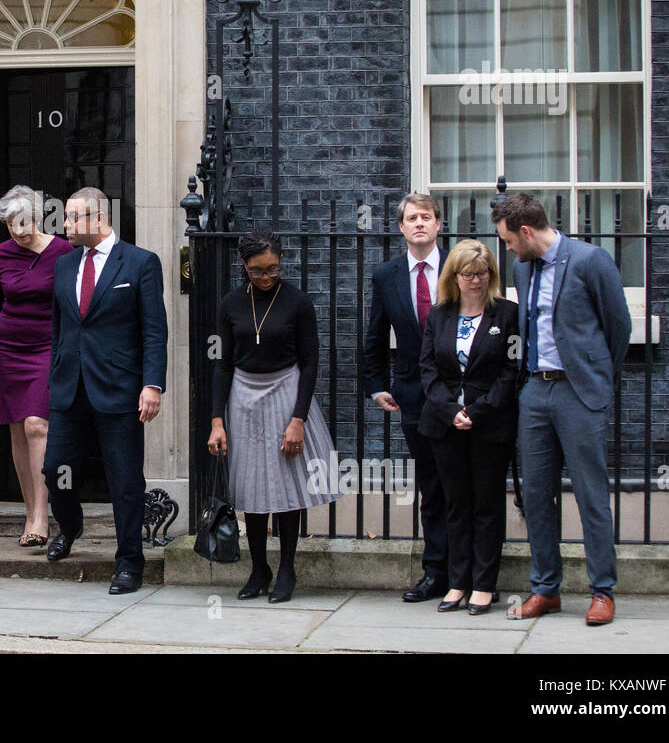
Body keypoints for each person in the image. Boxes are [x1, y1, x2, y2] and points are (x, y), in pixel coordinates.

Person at [493, 193, 631, 626]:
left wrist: (597, 380)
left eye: (509, 240)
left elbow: (619, 327)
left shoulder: (591, 260)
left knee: (591, 494)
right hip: (535, 391)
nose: (508, 249)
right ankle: (545, 589)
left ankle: (602, 591)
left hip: (579, 392)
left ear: (527, 231)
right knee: (535, 496)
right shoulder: (522, 267)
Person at [43, 187, 168, 594]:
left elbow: (153, 330)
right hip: (69, 387)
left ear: (98, 219)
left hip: (118, 388)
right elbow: (60, 327)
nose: (63, 226)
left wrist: (152, 384)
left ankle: (130, 562)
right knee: (55, 468)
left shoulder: (140, 263)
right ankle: (71, 525)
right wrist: (55, 371)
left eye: (72, 218)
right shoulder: (63, 265)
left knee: (125, 480)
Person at [207, 232, 343, 603]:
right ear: (244, 267)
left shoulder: (298, 302)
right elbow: (222, 363)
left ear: (281, 261)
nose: (266, 278)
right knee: (251, 488)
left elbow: (311, 362)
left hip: (286, 391)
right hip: (244, 396)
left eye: (273, 269)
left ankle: (286, 568)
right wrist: (217, 421)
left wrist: (298, 419)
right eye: (257, 272)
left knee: (286, 485)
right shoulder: (231, 304)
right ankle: (258, 568)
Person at [418, 239, 519, 615]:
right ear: (454, 276)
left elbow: (511, 371)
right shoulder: (440, 315)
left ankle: (484, 584)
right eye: (468, 274)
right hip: (445, 426)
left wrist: (478, 410)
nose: (476, 281)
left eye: (482, 274)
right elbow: (427, 368)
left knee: (487, 504)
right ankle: (457, 582)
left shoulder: (507, 315)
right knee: (455, 503)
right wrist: (449, 411)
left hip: (489, 425)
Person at [362, 192, 450, 602]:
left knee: (465, 485)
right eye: (412, 218)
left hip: (461, 395)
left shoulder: (460, 267)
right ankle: (436, 572)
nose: (419, 223)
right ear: (401, 227)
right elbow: (376, 334)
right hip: (414, 393)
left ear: (438, 225)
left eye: (426, 217)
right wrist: (376, 384)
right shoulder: (387, 275)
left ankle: (469, 572)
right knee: (431, 487)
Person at [0, 186, 72, 547]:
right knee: (18, 429)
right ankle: (29, 509)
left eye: (25, 222)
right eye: (12, 225)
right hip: (8, 348)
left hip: (47, 346)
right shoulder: (0, 254)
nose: (19, 231)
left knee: (37, 426)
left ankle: (42, 517)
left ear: (39, 217)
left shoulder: (62, 251)